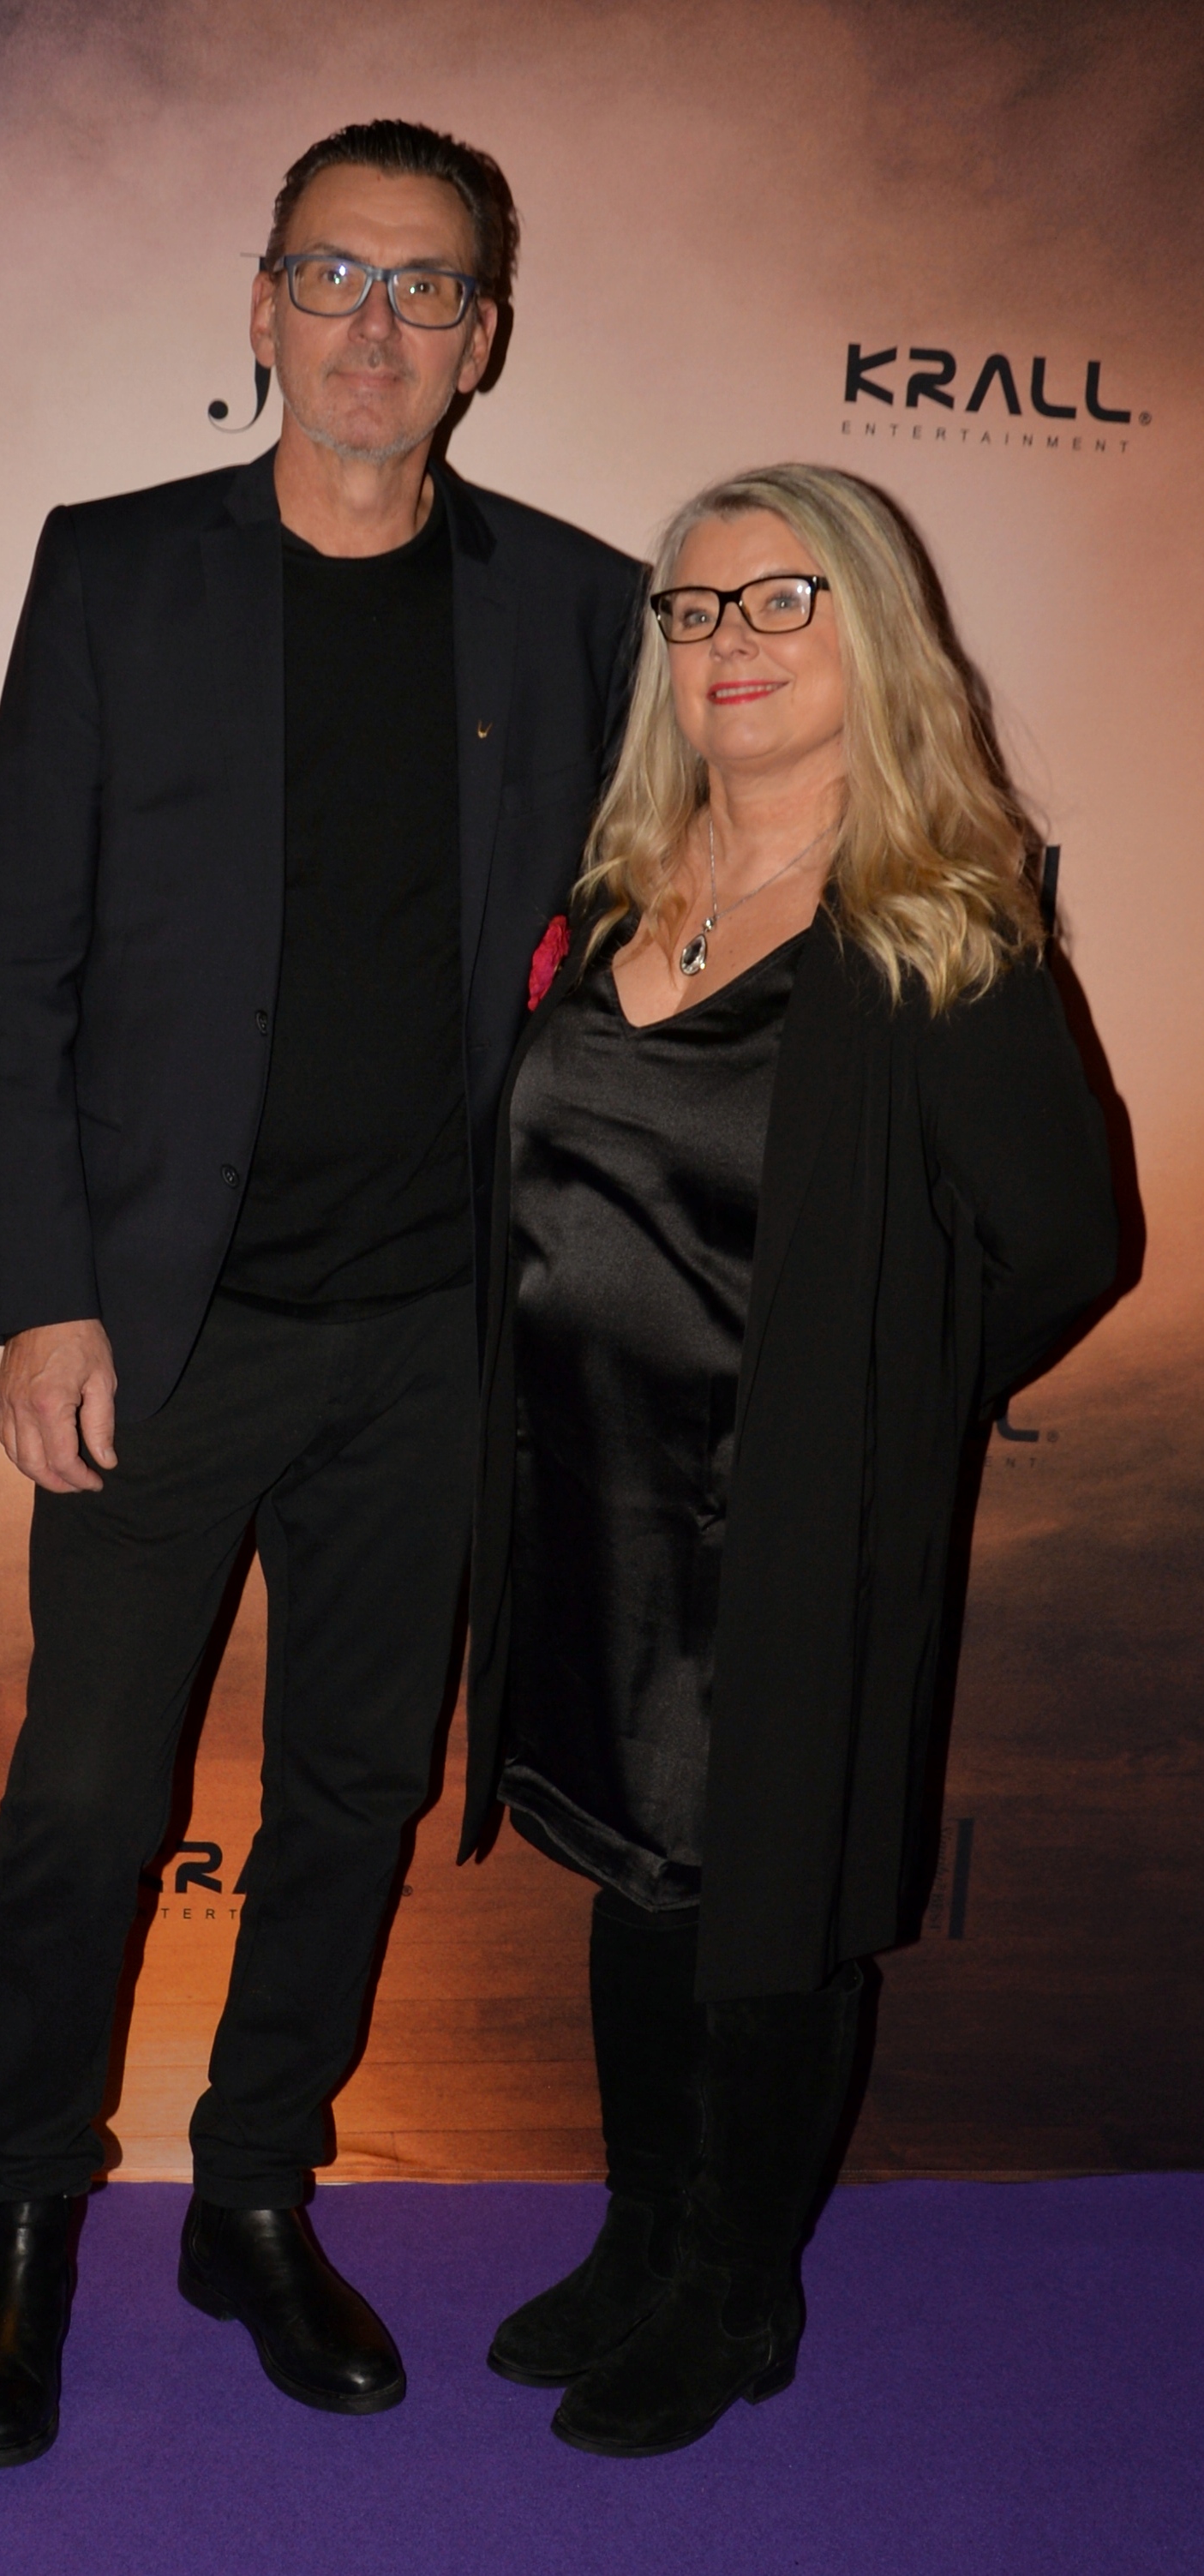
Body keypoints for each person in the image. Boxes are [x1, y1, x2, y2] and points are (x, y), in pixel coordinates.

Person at [0, 118, 644, 2468]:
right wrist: (42, 1293)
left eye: (425, 286)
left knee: (354, 1789)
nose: (372, 323)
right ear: (259, 305)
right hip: (164, 1330)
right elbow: (19, 960)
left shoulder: (575, 605)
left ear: (482, 339)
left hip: (433, 1333)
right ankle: (26, 2215)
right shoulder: (116, 571)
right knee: (83, 1797)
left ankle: (252, 2194)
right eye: (332, 272)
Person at [462, 463, 1118, 2456]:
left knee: (763, 1896)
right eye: (694, 610)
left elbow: (1069, 1241)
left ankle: (735, 2290)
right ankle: (641, 2231)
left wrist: (869, 1408)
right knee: (631, 1865)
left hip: (786, 1526)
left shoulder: (938, 929)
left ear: (871, 637)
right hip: (584, 1501)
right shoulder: (606, 892)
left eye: (778, 602)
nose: (727, 643)